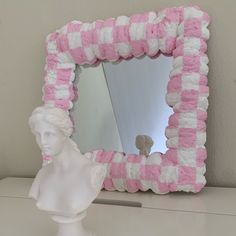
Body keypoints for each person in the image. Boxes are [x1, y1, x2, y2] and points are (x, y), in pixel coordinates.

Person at [28, 105, 106, 217]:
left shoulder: (92, 172)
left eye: (49, 134)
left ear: (64, 134)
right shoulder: (42, 174)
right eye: (38, 135)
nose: (42, 141)